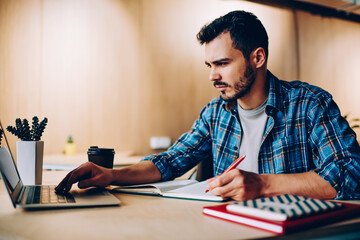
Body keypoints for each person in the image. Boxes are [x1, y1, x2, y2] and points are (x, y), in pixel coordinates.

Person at [56, 10, 360, 201]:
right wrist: (112, 175)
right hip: (230, 227)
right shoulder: (216, 112)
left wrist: (263, 184)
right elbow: (171, 161)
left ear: (257, 57)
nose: (213, 76)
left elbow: (350, 175)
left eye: (223, 63)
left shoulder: (310, 104)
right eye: (209, 65)